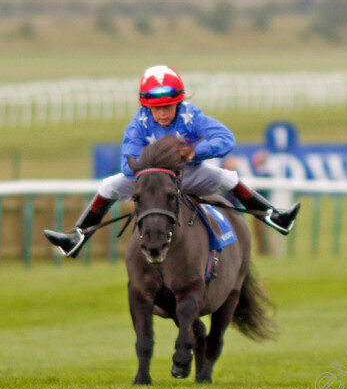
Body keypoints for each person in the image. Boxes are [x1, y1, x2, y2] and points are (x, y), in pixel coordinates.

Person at [44, 65, 300, 258]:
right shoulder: (138, 124)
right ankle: (76, 238)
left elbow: (226, 139)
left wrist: (194, 153)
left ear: (179, 101)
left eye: (169, 106)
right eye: (157, 108)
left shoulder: (191, 115)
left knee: (227, 178)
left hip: (188, 173)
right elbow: (127, 164)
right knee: (109, 186)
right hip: (152, 179)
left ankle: (275, 217)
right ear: (146, 107)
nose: (164, 113)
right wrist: (155, 165)